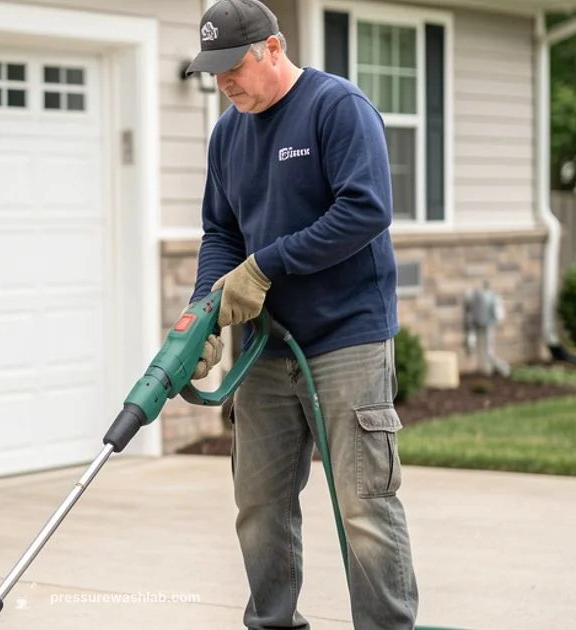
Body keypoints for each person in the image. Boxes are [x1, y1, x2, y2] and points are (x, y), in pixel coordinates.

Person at [182, 1, 419, 629]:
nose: (224, 82)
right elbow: (220, 232)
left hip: (347, 340)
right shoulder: (228, 133)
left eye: (234, 66)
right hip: (266, 348)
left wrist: (266, 267)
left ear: (274, 48)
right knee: (258, 505)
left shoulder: (335, 107)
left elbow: (364, 210)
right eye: (214, 72)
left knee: (364, 507)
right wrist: (207, 310)